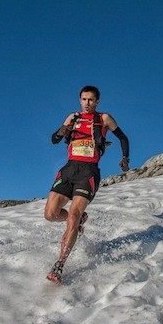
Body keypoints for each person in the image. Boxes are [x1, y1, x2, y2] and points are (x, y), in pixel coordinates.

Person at [44, 85, 130, 284]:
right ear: (80, 100)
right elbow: (54, 140)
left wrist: (125, 158)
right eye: (84, 99)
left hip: (89, 171)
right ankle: (80, 220)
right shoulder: (72, 118)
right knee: (50, 214)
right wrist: (62, 130)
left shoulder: (104, 119)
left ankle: (59, 264)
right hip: (68, 169)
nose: (87, 103)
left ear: (97, 101)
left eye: (91, 99)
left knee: (72, 216)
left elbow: (123, 137)